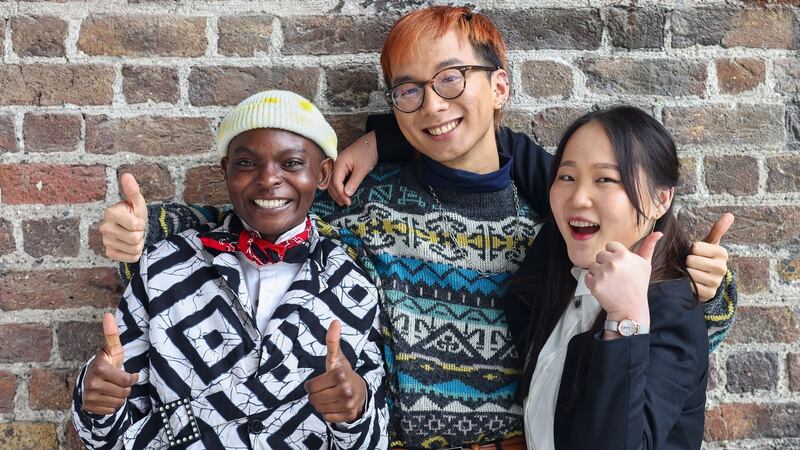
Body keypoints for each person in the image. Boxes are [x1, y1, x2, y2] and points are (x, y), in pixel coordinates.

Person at [97, 7, 735, 449]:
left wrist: (709, 288)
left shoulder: (556, 210)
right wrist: (152, 229)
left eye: (451, 79)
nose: (432, 105)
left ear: (500, 86)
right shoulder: (368, 204)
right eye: (408, 91)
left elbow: (658, 323)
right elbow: (261, 219)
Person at [72, 90, 388, 449]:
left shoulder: (353, 286)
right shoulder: (163, 269)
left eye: (292, 163)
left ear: (323, 173)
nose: (269, 179)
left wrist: (357, 411)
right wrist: (96, 406)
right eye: (248, 163)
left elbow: (370, 442)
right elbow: (108, 438)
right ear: (226, 171)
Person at [518, 106, 719, 449]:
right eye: (566, 177)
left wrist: (626, 321)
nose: (578, 198)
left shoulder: (670, 309)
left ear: (661, 199)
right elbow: (494, 148)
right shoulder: (562, 273)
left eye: (605, 179)